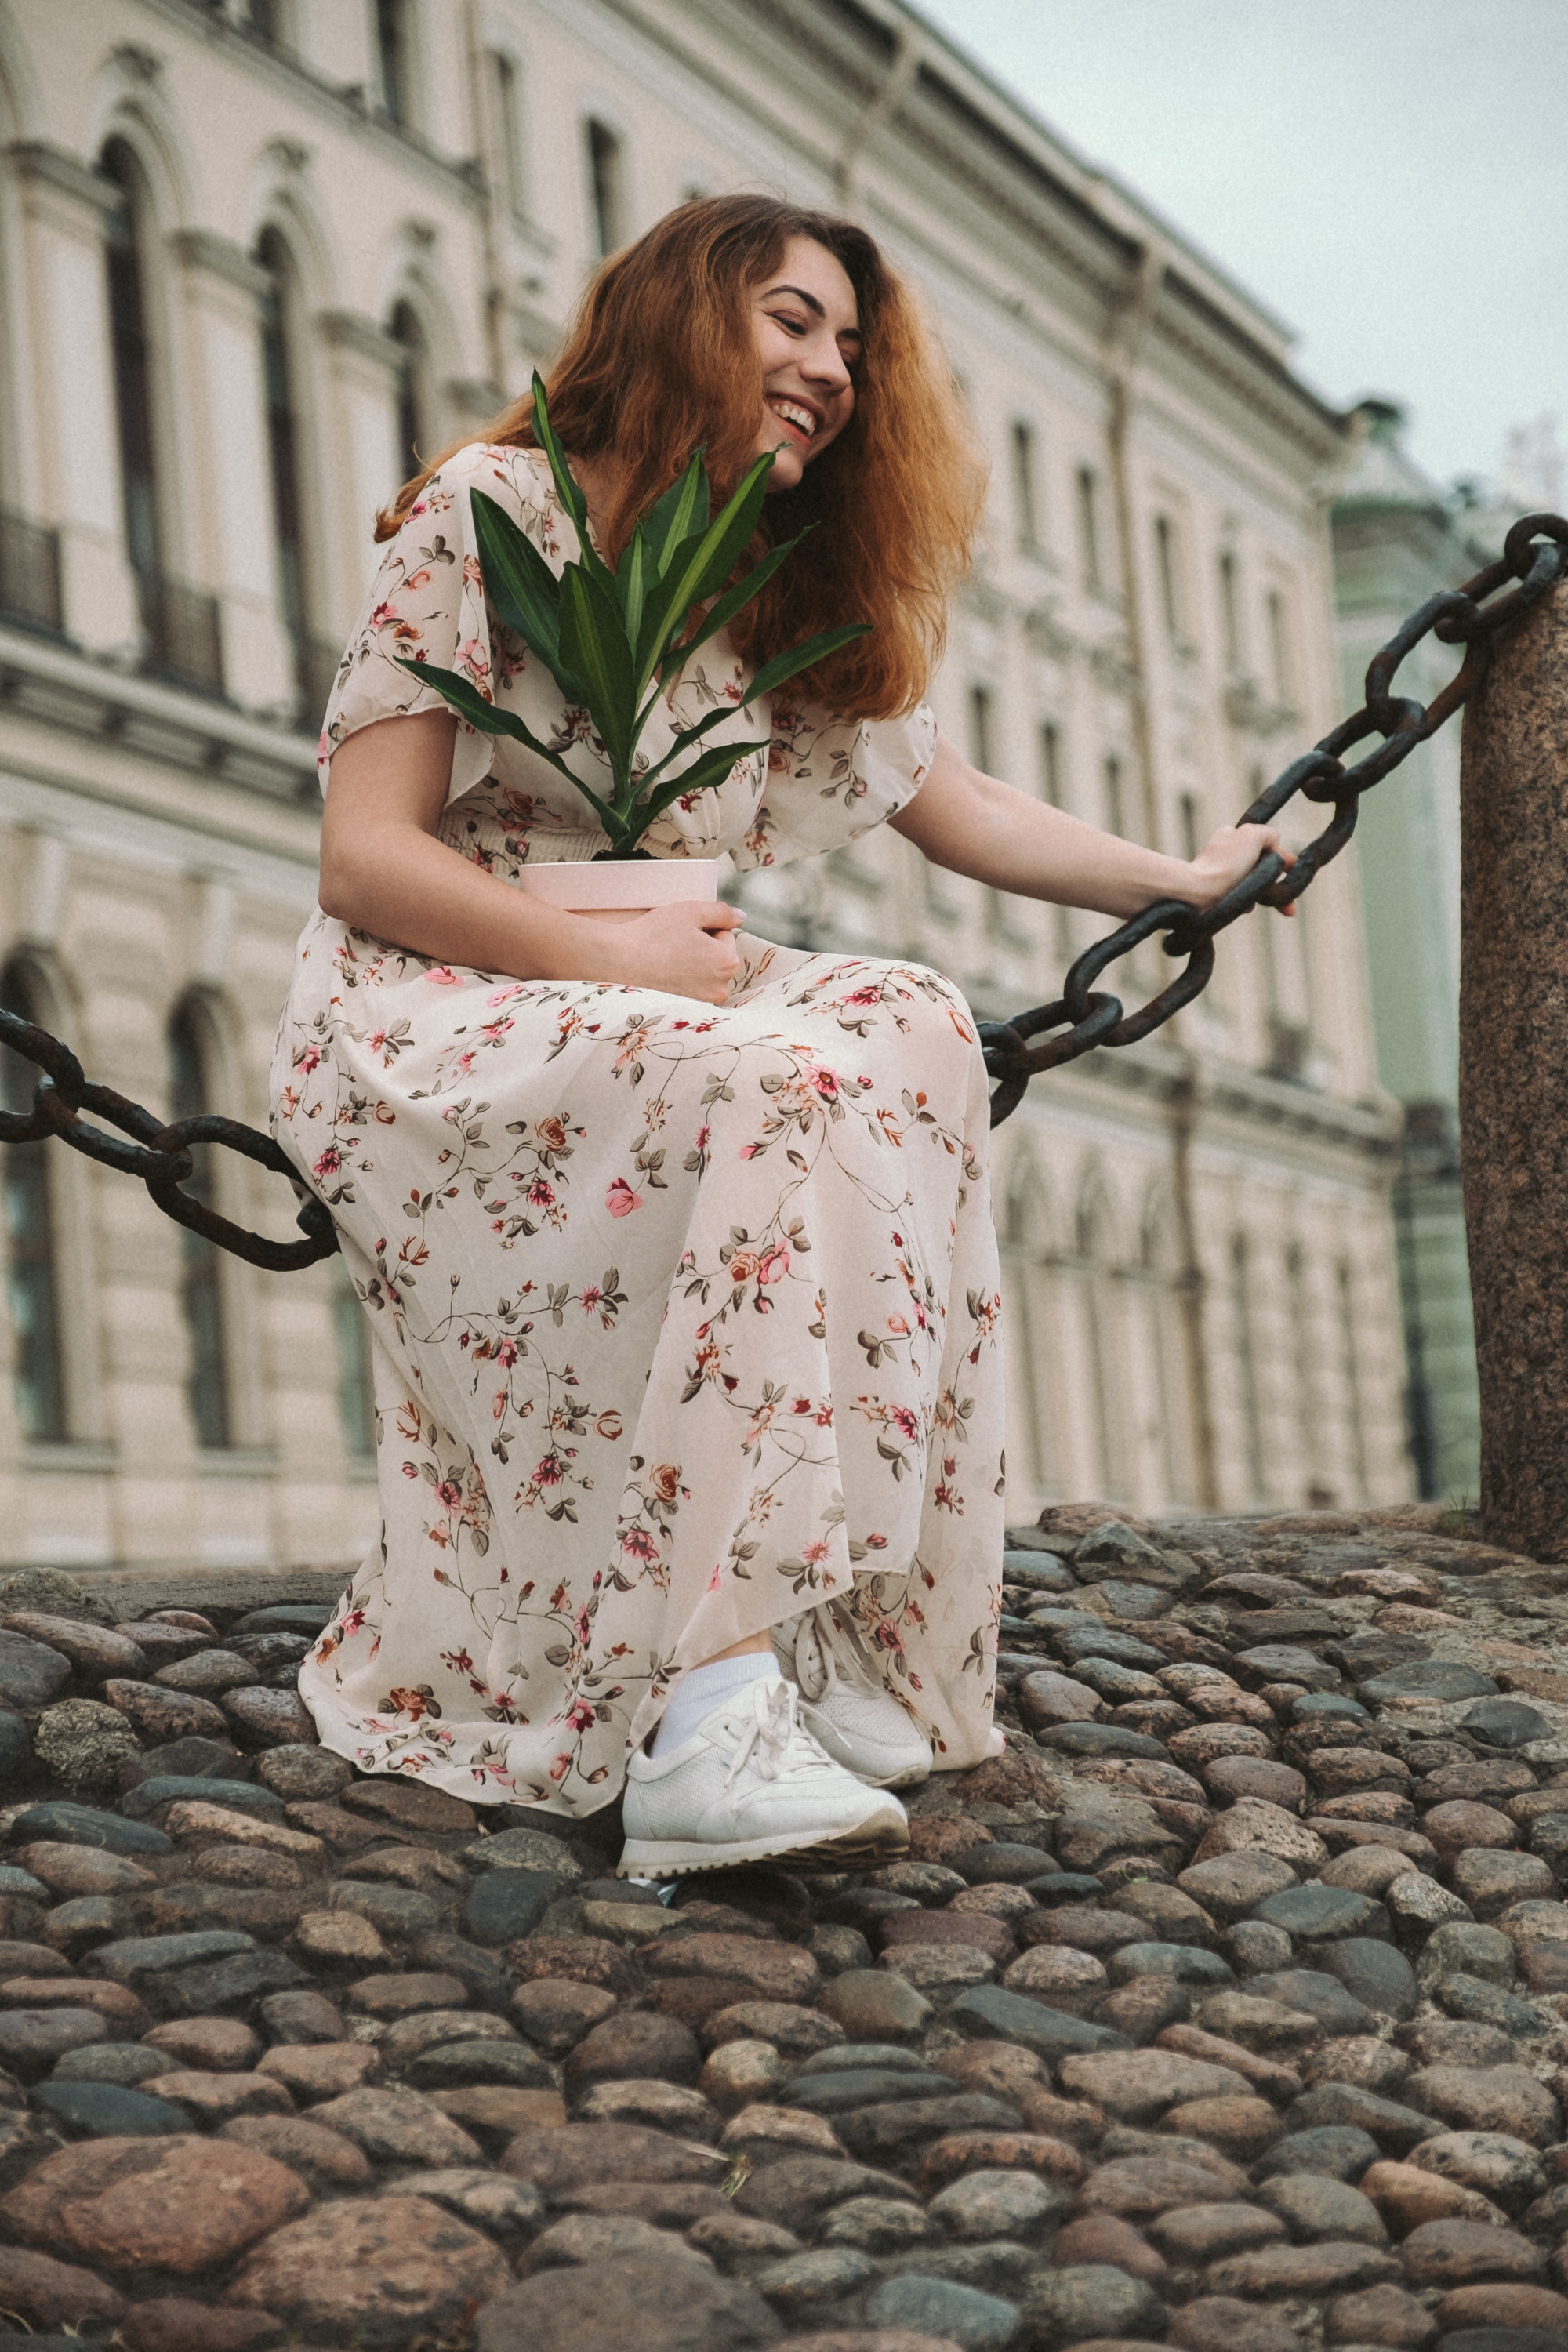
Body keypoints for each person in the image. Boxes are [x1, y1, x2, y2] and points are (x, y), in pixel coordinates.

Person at [275, 194, 1289, 1878]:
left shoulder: (749, 579)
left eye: (848, 341)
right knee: (770, 1075)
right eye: (792, 321)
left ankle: (856, 1648)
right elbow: (367, 856)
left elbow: (942, 797)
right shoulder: (489, 514)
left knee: (907, 1026)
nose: (830, 366)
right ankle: (702, 1713)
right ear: (684, 317)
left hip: (649, 976)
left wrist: (1179, 874)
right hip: (440, 999)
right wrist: (623, 965)